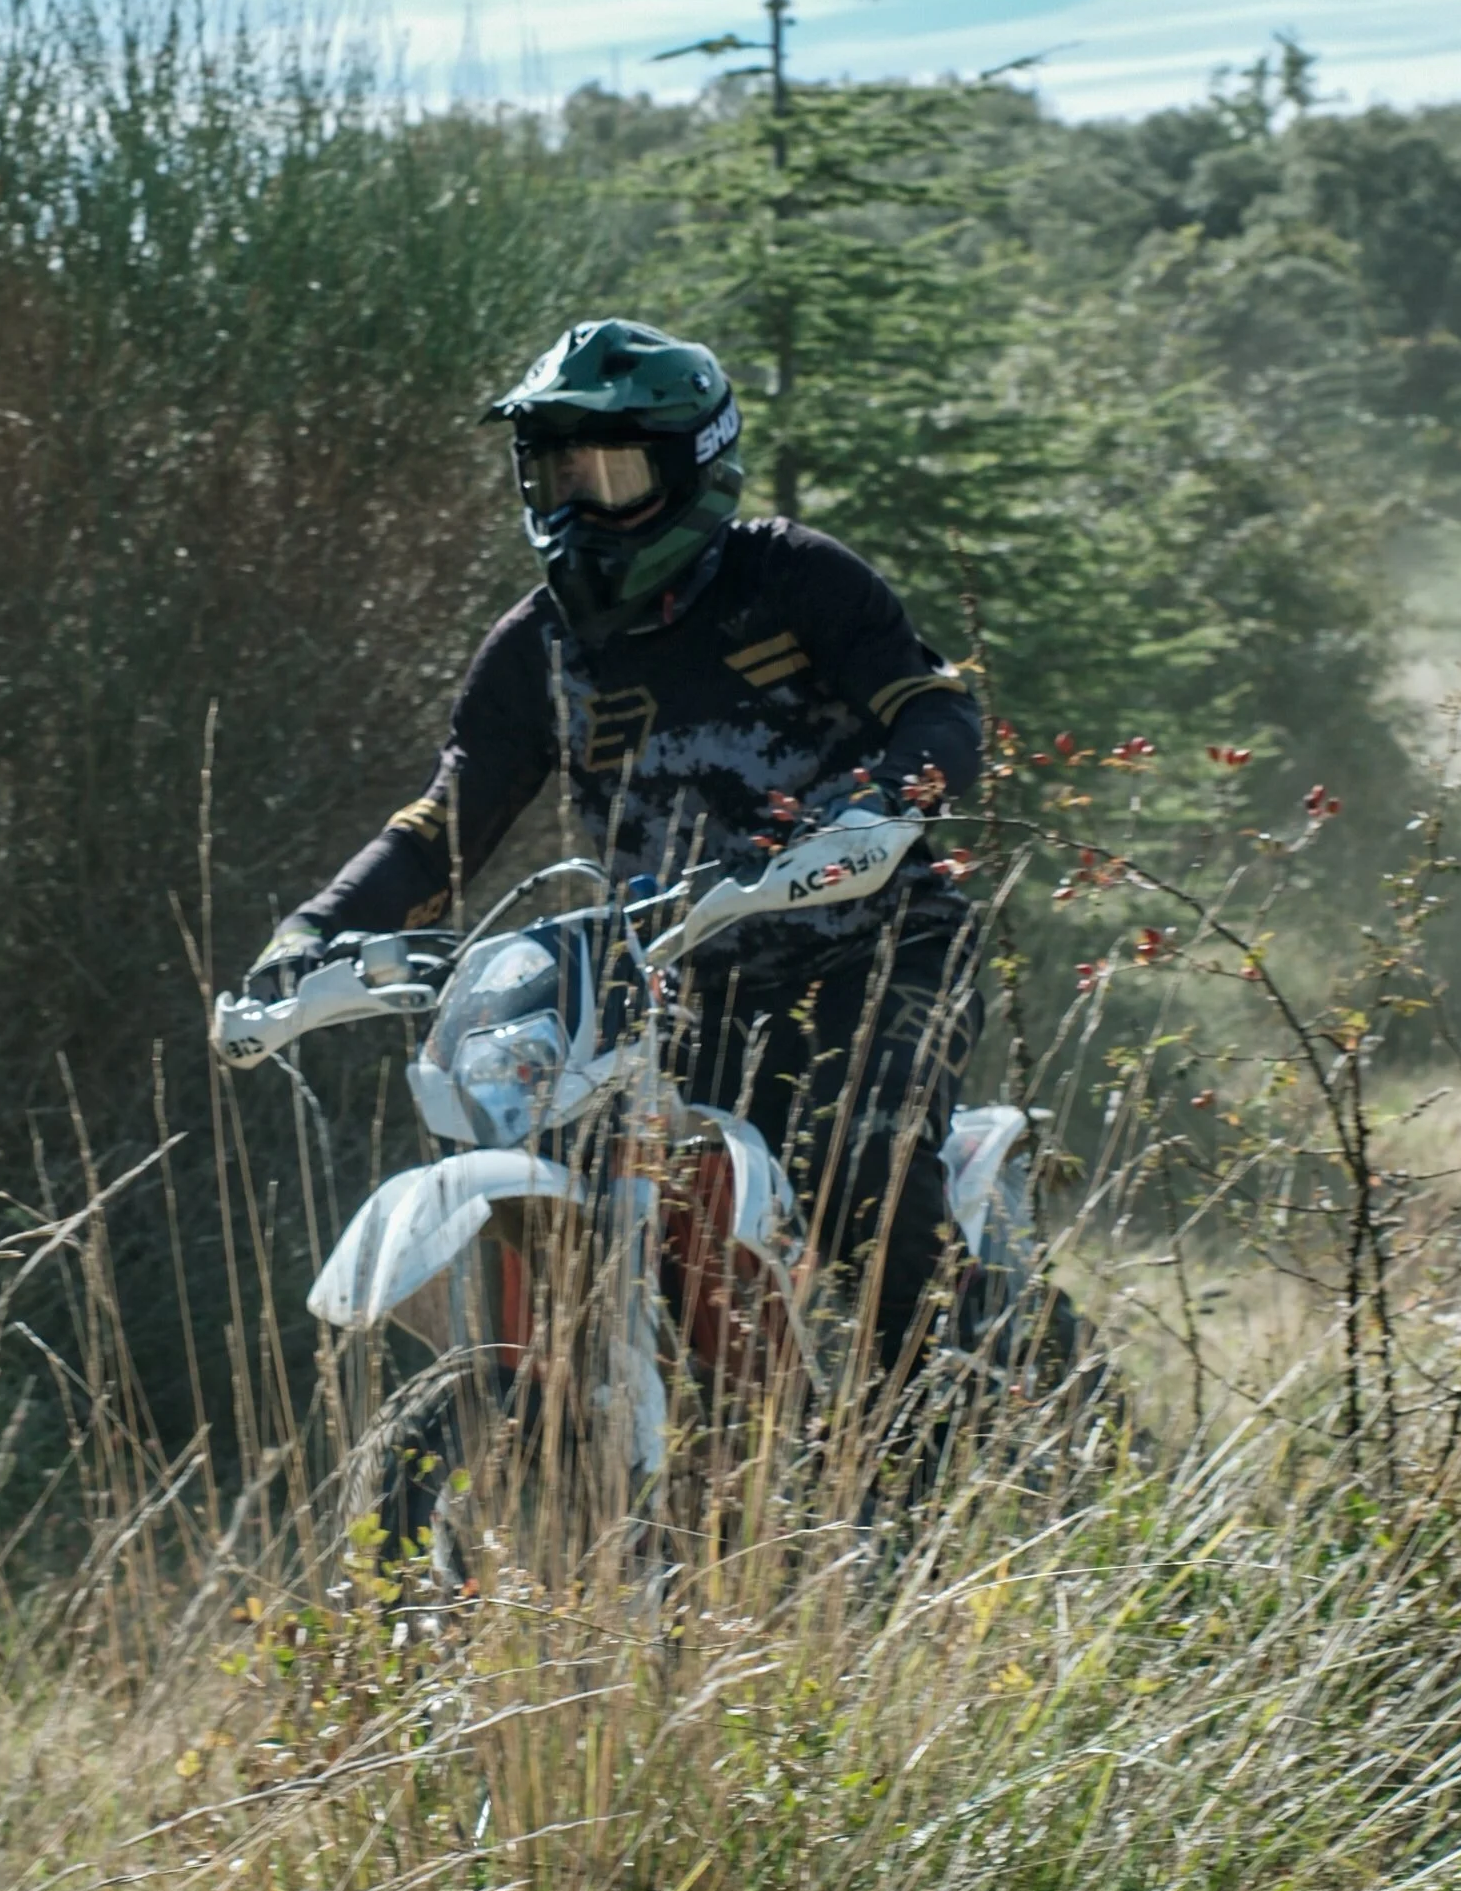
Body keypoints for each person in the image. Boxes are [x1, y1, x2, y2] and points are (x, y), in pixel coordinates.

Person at [245, 317, 986, 1378]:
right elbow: (443, 826)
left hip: (878, 955)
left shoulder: (793, 578)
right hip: (674, 996)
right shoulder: (536, 649)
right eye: (557, 473)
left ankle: (952, 1427)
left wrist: (878, 808)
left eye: (613, 472)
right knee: (574, 1157)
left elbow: (935, 710)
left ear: (694, 468)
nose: (580, 505)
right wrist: (312, 933)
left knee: (858, 1160)